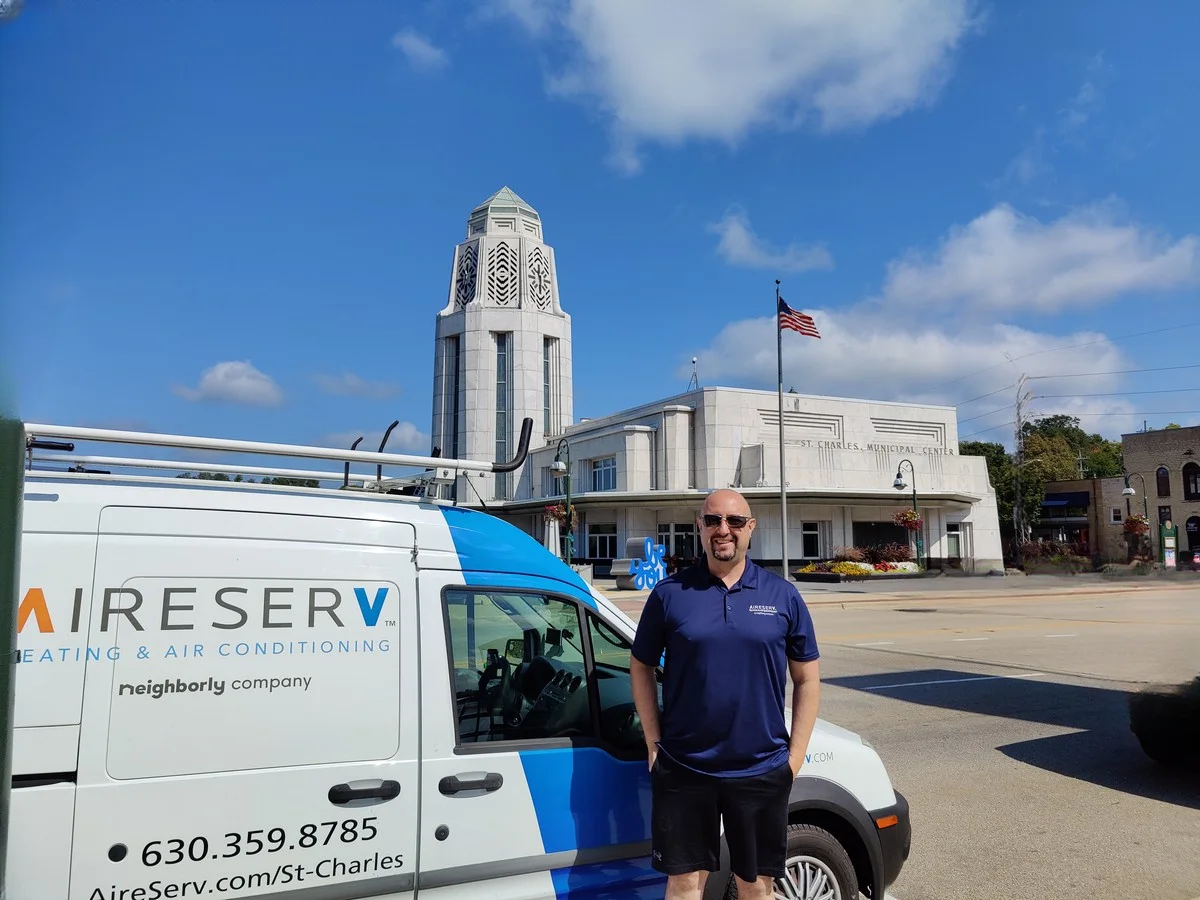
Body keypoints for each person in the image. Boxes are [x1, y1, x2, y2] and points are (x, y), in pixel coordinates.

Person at [630, 488, 821, 900]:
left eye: (735, 521)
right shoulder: (669, 594)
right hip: (685, 767)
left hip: (761, 768)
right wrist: (652, 741)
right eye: (713, 520)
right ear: (699, 527)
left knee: (756, 886)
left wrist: (795, 757)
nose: (724, 530)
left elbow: (808, 678)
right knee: (684, 884)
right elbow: (640, 665)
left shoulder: (782, 595)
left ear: (750, 528)